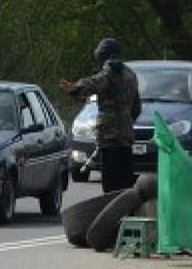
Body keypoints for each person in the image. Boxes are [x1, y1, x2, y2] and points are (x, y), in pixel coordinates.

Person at [60, 37, 142, 192]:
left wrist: (75, 88)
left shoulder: (108, 73)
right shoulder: (131, 75)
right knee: (126, 183)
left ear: (103, 56)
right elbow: (137, 108)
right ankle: (126, 213)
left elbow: (91, 84)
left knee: (111, 186)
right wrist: (126, 121)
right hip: (126, 137)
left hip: (109, 138)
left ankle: (112, 215)